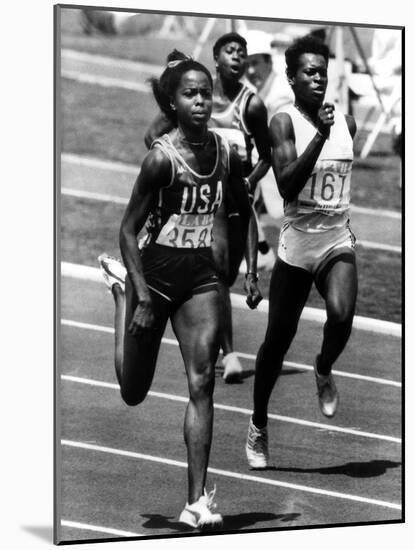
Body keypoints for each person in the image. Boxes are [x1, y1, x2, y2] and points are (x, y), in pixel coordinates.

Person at [98, 50, 261, 528]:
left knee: (202, 380)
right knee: (132, 391)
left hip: (200, 277)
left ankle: (195, 501)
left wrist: (251, 268)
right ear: (171, 104)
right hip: (154, 277)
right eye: (190, 94)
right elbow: (127, 231)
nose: (201, 102)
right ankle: (119, 291)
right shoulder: (160, 160)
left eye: (205, 94)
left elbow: (243, 208)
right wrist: (142, 296)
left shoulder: (224, 153)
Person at [245, 35, 358, 469]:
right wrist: (320, 137)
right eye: (308, 72)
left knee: (342, 314)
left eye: (322, 72)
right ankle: (258, 424)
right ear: (291, 77)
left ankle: (324, 367)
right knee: (277, 341)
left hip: (334, 240)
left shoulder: (347, 123)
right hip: (297, 244)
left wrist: (332, 131)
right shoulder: (283, 122)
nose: (317, 78)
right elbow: (288, 184)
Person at [145, 32, 271, 383]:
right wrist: (175, 160)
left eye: (242, 53)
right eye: (230, 51)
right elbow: (152, 134)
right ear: (216, 58)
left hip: (239, 194)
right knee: (214, 275)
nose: (237, 57)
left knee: (226, 276)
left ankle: (216, 338)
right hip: (209, 197)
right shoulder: (196, 94)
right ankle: (228, 353)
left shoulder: (252, 105)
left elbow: (268, 155)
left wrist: (250, 179)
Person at [243, 29, 294, 223]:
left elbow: (284, 143)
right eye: (246, 65)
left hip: (280, 175)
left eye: (255, 63)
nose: (250, 71)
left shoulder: (280, 95)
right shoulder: (261, 89)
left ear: (269, 62)